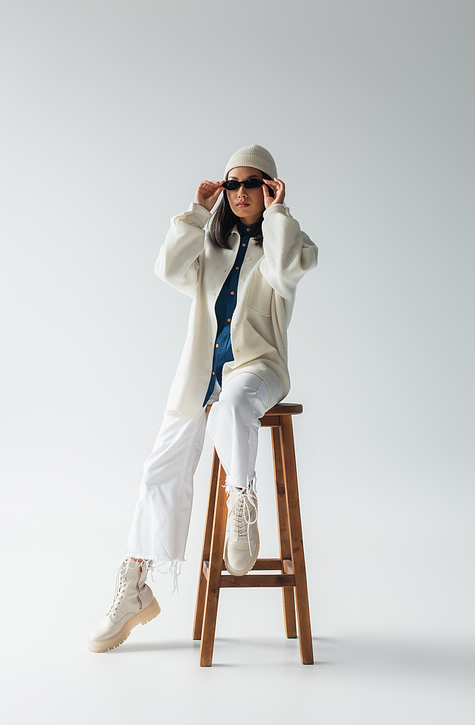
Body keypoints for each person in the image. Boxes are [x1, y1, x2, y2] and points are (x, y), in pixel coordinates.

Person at [88, 144, 318, 653]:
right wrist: (196, 212)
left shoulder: (289, 241)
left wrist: (279, 214)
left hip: (259, 369)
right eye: (232, 184)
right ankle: (135, 583)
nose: (240, 193)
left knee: (235, 404)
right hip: (200, 376)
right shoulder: (212, 246)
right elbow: (167, 268)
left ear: (270, 188)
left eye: (252, 184)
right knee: (158, 469)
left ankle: (242, 502)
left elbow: (283, 274)